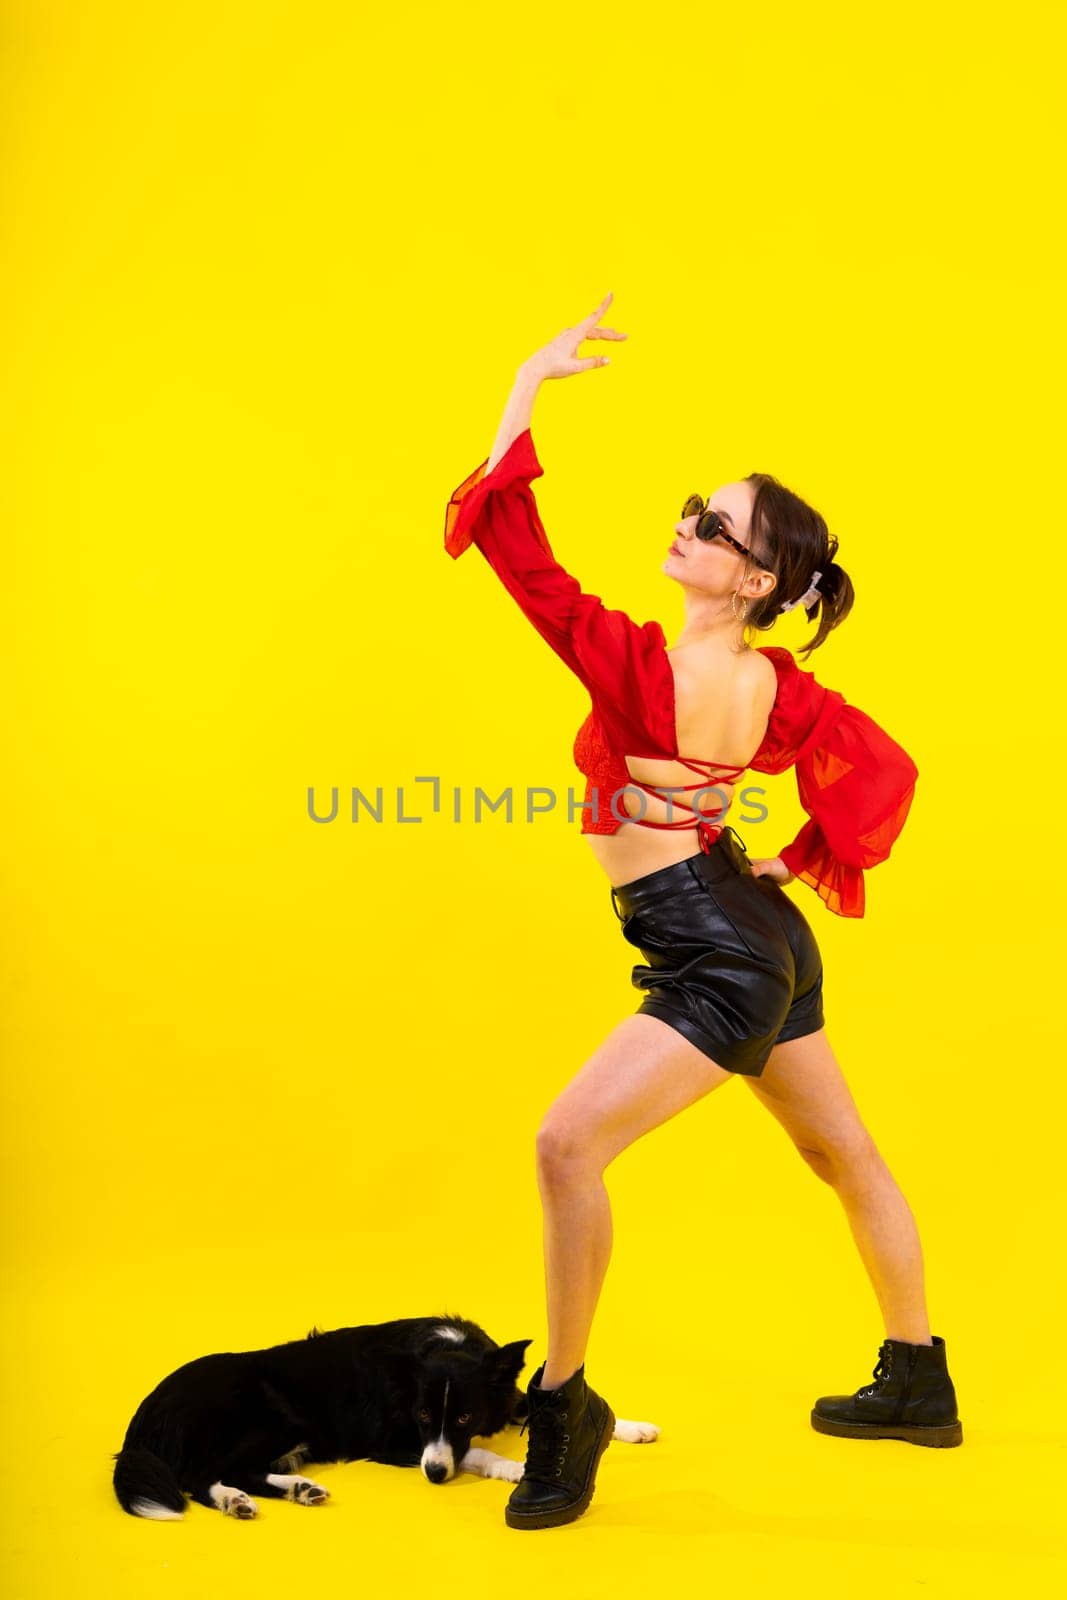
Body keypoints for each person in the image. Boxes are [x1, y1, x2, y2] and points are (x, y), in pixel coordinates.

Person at [444, 294, 962, 1533]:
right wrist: (788, 860)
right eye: (692, 506)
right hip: (755, 930)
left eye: (712, 526)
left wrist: (524, 387)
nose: (686, 526)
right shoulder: (775, 689)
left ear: (758, 575)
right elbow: (882, 770)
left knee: (565, 1148)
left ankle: (563, 1407)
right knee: (843, 1156)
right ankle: (917, 1378)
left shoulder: (640, 666)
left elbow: (522, 557)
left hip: (708, 946)